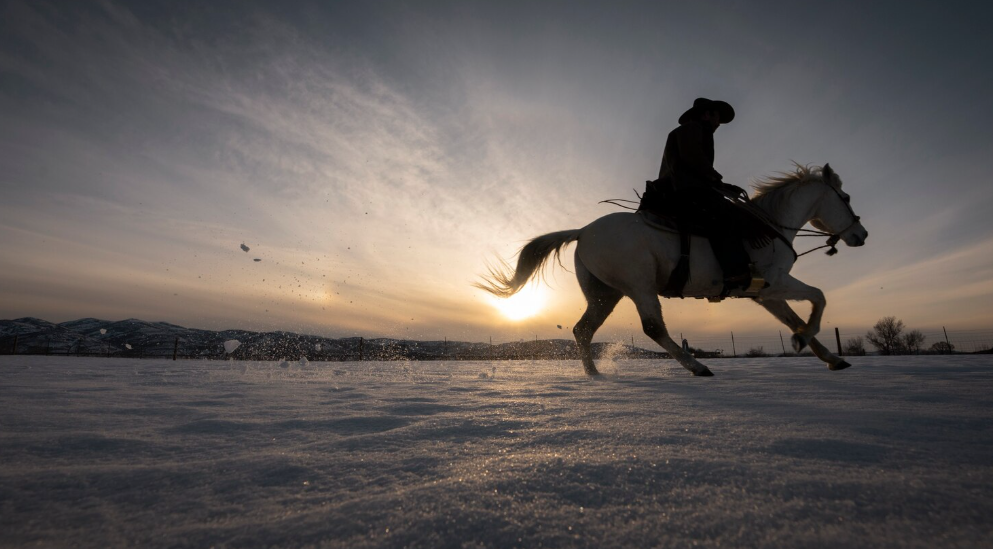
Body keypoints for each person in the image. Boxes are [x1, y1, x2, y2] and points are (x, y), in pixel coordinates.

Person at [648, 97, 757, 294]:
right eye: (717, 117)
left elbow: (696, 164)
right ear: (706, 114)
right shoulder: (692, 129)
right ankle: (736, 273)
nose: (718, 123)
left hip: (685, 187)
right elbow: (693, 159)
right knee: (724, 216)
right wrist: (718, 181)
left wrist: (720, 183)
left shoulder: (694, 131)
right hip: (684, 190)